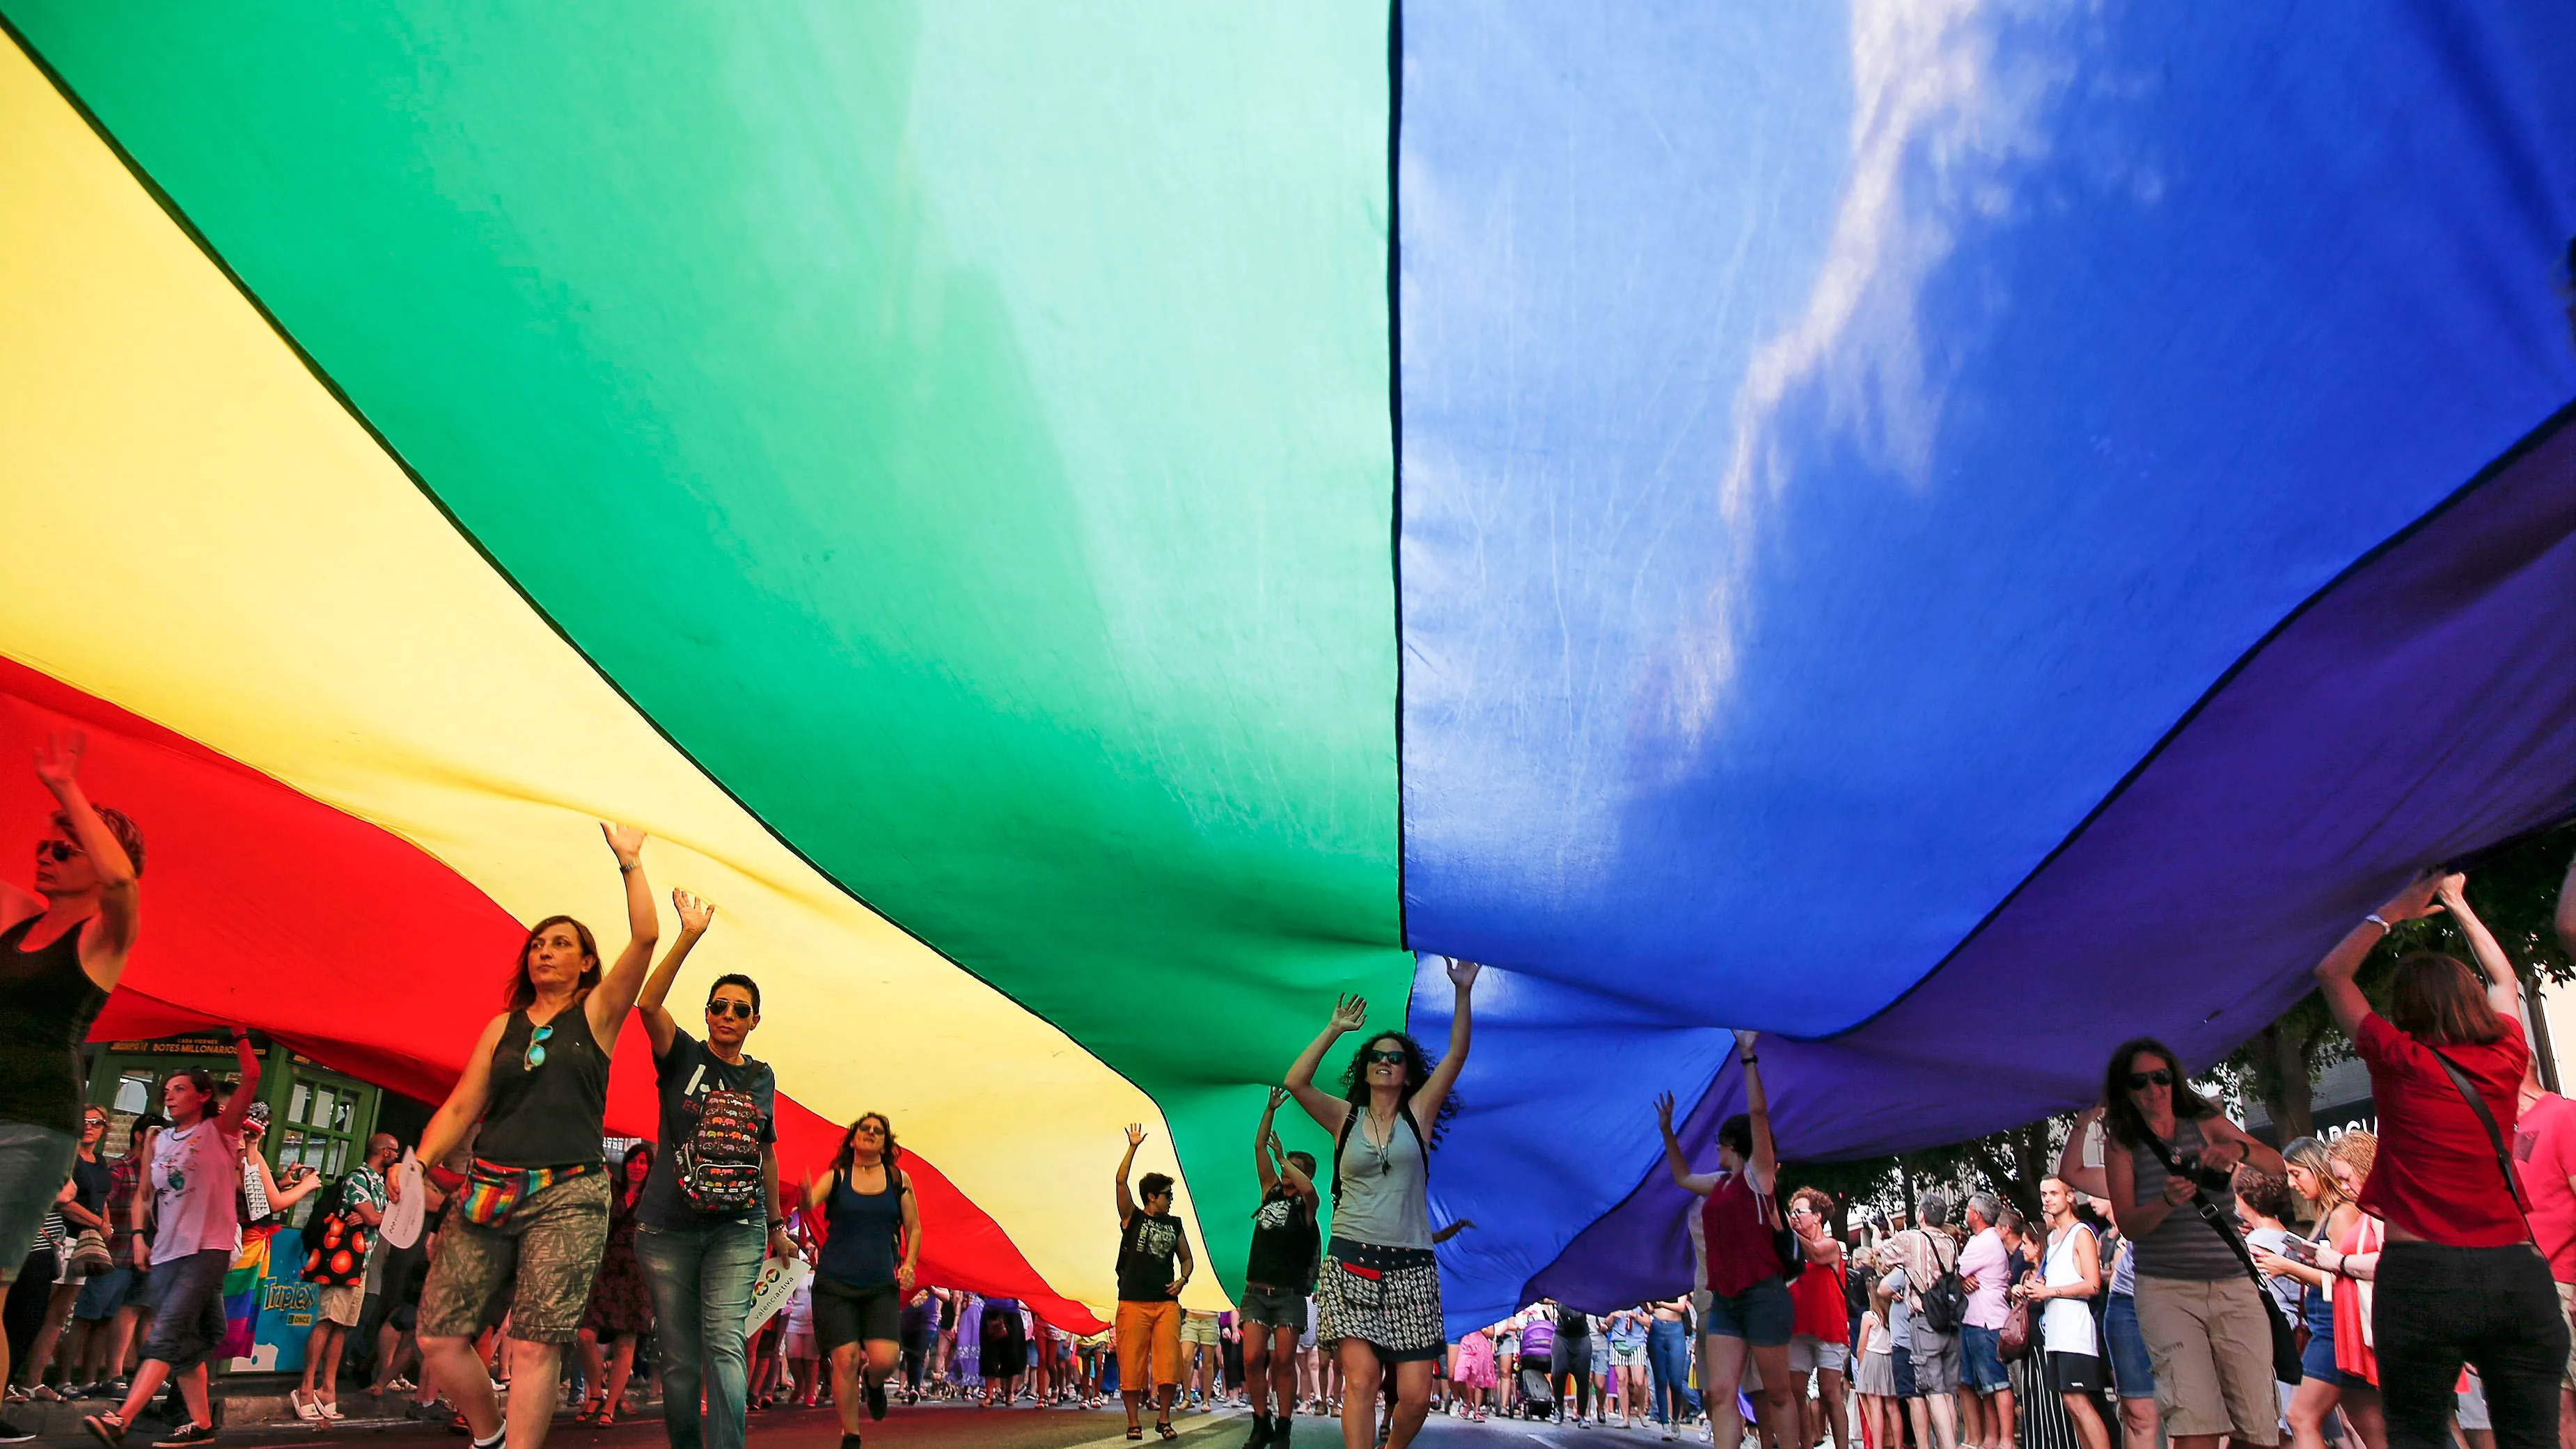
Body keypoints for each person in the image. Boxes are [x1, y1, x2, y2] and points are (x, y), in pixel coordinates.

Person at [402, 824, 661, 1449]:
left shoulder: (597, 1014)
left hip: (568, 1194)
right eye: (537, 944)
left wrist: (628, 862)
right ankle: (490, 1434)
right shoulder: (501, 1027)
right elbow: (464, 1105)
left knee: (538, 1339)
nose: (544, 952)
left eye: (560, 943)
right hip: (486, 1190)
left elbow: (647, 935)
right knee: (437, 1334)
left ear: (586, 961)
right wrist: (418, 1162)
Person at [2316, 872, 2565, 1449]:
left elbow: (2331, 972)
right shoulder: (2505, 1054)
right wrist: (2458, 903)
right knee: (2534, 1438)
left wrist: (2390, 912)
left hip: (2423, 1273)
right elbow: (2504, 977)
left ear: (2406, 1008)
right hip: (2517, 1270)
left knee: (2418, 1433)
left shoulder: (2397, 1058)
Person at [3, 733, 143, 1436]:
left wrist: (66, 789)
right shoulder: (14, 914)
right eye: (44, 845)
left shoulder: (99, 937)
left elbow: (123, 882)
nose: (47, 853)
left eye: (66, 846)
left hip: (32, 1125)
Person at [1285, 957, 1482, 1449]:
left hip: (1411, 1264)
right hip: (1351, 1259)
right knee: (1362, 1380)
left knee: (1415, 1396)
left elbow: (1456, 1055)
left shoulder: (1420, 1113)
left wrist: (1461, 990)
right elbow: (1296, 1083)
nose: (1386, 1061)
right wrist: (1334, 1028)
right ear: (1367, 1069)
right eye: (1377, 1056)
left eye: (1395, 1056)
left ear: (1407, 1070)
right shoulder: (1343, 1118)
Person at [629, 893, 796, 1449]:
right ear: (706, 1013)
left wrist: (776, 1226)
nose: (728, 1015)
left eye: (740, 1009)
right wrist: (689, 935)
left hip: (737, 1225)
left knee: (724, 1340)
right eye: (719, 1006)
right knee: (679, 1358)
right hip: (667, 1225)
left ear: (755, 1020)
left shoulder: (763, 1077)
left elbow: (766, 1153)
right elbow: (647, 1004)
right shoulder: (681, 1055)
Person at [2094, 1035, 2286, 1449]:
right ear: (2124, 1090)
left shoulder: (2202, 1118)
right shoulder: (2121, 1141)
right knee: (2195, 1423)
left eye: (2161, 1077)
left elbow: (2275, 1164)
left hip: (2233, 1283)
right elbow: (2128, 1223)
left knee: (2257, 1428)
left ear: (2174, 1078)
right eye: (2139, 1081)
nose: (2153, 1089)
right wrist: (2166, 1201)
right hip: (2168, 1290)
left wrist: (2234, 1148)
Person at [81, 1034, 258, 1449]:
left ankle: (120, 1419)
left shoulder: (221, 1130)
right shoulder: (158, 1140)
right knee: (189, 1344)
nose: (170, 1096)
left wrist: (240, 1035)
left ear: (202, 1096)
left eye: (179, 1089)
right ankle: (201, 1425)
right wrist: (140, 1237)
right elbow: (144, 1194)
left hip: (206, 1250)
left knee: (165, 1334)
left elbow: (252, 1075)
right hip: (165, 1254)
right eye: (166, 1091)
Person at [1658, 1030, 1798, 1449]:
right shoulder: (1718, 1184)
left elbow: (1759, 1115)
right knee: (1719, 1392)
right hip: (1724, 1301)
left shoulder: (1759, 1178)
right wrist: (1667, 1130)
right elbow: (1682, 1177)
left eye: (1719, 1142)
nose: (1714, 1147)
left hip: (1763, 1296)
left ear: (1731, 1144)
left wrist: (1748, 1057)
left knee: (1777, 1392)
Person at [2254, 1138, 2382, 1449]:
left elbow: (2340, 1280)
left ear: (2318, 1170)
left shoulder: (2341, 1214)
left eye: (2298, 1173)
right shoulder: (2331, 1213)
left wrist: (2288, 1267)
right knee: (2369, 1423)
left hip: (2335, 1327)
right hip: (2335, 1327)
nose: (2292, 1183)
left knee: (2301, 1416)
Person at [806, 1113, 920, 1448]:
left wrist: (909, 1264)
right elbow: (810, 1200)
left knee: (885, 1360)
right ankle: (851, 1434)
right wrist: (802, 1194)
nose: (871, 1133)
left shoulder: (899, 1180)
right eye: (865, 1129)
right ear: (853, 1139)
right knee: (846, 1359)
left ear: (886, 1143)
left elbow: (914, 1227)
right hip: (834, 1283)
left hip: (879, 1285)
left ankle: (873, 1383)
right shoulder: (836, 1177)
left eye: (879, 1131)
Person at [292, 1133, 397, 1423]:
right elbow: (376, 1218)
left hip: (361, 1261)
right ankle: (305, 1388)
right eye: (395, 1151)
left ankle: (328, 1388)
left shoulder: (380, 1183)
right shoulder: (358, 1178)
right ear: (385, 1152)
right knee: (328, 1320)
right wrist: (371, 1216)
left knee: (343, 1325)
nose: (397, 1157)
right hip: (344, 1260)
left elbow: (382, 1216)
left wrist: (374, 1215)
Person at [1241, 1088, 1319, 1448]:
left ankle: (1284, 1426)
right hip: (1257, 1291)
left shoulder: (1307, 1206)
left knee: (1285, 1359)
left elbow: (1309, 1191)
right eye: (1287, 1166)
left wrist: (1284, 1159)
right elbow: (1259, 1147)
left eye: (1294, 1168)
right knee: (1253, 1357)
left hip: (1289, 1295)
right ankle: (1261, 1422)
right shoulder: (1270, 1190)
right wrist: (1269, 1111)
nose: (1286, 1172)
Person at [2506, 1050, 2576, 1448]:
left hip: (2563, 1285)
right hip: (2534, 1289)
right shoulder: (2512, 1129)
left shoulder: (2562, 1115)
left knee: (2561, 1409)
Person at [2013, 1177, 2109, 1449]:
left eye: (2054, 1193)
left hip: (2074, 1329)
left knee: (2079, 1402)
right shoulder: (2054, 1238)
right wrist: (2033, 1288)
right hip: (2055, 1331)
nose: (2047, 1199)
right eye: (2044, 1194)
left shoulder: (2081, 1233)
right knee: (2069, 1402)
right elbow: (2051, 1279)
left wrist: (2049, 1292)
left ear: (2070, 1197)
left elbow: (2092, 1284)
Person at [1113, 1123, 1191, 1439]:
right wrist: (1132, 1148)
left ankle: (1164, 1419)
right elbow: (1120, 1181)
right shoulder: (1133, 1217)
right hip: (1133, 1301)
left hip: (1166, 1304)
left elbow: (1187, 1258)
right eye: (1167, 1195)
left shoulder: (1174, 1223)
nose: (1171, 1200)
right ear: (1152, 1197)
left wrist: (1183, 1279)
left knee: (1169, 1364)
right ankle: (1133, 1422)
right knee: (1131, 1365)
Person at [573, 1143, 654, 1427]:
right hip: (605, 1268)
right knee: (585, 1334)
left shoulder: (655, 1199)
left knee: (626, 1342)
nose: (637, 1167)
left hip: (638, 1273)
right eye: (634, 1161)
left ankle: (608, 1407)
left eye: (644, 1163)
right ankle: (595, 1392)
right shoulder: (612, 1189)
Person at [1788, 1189, 1851, 1449]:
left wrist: (1784, 1228)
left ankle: (1842, 1446)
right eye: (1791, 1213)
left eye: (1799, 1213)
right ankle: (1806, 1444)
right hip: (1798, 1329)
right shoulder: (1791, 1250)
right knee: (1796, 1393)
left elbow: (1814, 1253)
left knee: (1829, 1391)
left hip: (1829, 1328)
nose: (1794, 1218)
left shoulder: (1832, 1246)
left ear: (1817, 1216)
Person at [1958, 1193, 2018, 1449]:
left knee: (1998, 1383)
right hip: (1977, 1318)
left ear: (1977, 1215)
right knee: (1987, 1386)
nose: (1967, 1213)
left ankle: (2005, 1438)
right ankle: (1992, 1437)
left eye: (1969, 1209)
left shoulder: (1983, 1242)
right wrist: (1962, 1280)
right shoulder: (1984, 1240)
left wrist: (1961, 1278)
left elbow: (1955, 1268)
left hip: (1987, 1320)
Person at [1855, 1283, 1900, 1449]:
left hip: (1872, 1359)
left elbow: (1861, 1345)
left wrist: (1862, 1364)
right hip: (1889, 1359)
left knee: (1875, 1406)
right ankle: (1898, 1444)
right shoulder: (1892, 1315)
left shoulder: (1868, 1316)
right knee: (1893, 1406)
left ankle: (1878, 1446)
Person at [1647, 1297, 1698, 1438]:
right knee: (1661, 1380)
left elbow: (1681, 1307)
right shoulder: (1655, 1283)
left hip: (1676, 1330)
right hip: (1656, 1328)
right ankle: (1665, 1424)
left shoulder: (1677, 1281)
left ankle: (1675, 1419)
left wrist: (1661, 1303)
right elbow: (1650, 1309)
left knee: (1676, 1381)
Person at [1606, 1306, 1650, 1430]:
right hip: (1618, 1341)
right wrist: (1613, 1315)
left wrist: (1636, 1316)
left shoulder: (1641, 1302)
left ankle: (1641, 1411)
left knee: (1639, 1382)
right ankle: (1625, 1418)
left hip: (1637, 1342)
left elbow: (1648, 1322)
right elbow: (1607, 1325)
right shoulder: (1615, 1301)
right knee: (1621, 1381)